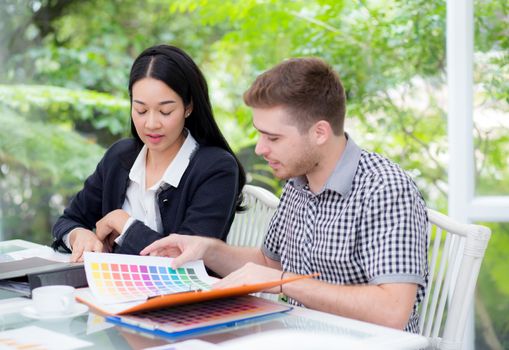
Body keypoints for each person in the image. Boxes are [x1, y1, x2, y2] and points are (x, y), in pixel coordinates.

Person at [141, 57, 429, 333]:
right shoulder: (297, 182)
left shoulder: (386, 188)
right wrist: (207, 249)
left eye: (273, 138)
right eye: (260, 134)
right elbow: (269, 263)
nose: (260, 149)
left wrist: (283, 282)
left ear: (319, 132)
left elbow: (392, 310)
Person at [52, 44, 246, 262]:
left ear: (188, 106)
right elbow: (68, 220)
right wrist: (80, 235)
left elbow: (185, 260)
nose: (151, 124)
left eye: (165, 111)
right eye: (141, 110)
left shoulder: (217, 168)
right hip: (109, 292)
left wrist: (122, 223)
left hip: (184, 295)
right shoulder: (119, 157)